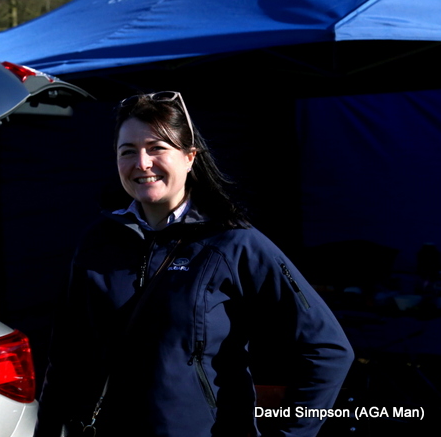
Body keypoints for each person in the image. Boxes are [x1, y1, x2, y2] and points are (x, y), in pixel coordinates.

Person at [35, 92, 353, 437]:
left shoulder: (233, 243)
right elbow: (66, 358)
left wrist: (293, 434)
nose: (142, 163)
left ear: (189, 158)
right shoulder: (99, 240)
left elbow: (329, 349)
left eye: (157, 147)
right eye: (128, 151)